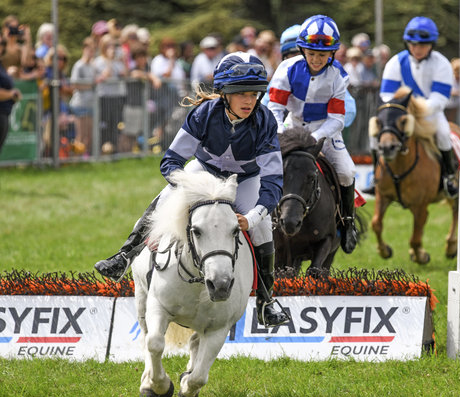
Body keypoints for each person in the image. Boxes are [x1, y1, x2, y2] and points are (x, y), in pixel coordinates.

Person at [94, 52, 289, 327]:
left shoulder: (266, 121)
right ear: (224, 93)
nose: (250, 101)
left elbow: (272, 182)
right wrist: (190, 187)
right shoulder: (203, 114)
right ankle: (124, 257)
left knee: (263, 227)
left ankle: (267, 301)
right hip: (203, 174)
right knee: (163, 200)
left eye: (254, 94)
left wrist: (254, 216)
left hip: (245, 180)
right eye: (241, 93)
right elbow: (171, 161)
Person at [268, 15, 358, 254]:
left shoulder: (339, 75)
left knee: (347, 172)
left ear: (332, 54)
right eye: (312, 53)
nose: (317, 59)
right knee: (267, 165)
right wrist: (280, 133)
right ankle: (264, 221)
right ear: (302, 50)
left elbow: (338, 118)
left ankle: (348, 223)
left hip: (324, 132)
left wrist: (316, 138)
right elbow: (274, 108)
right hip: (291, 127)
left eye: (323, 54)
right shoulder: (286, 69)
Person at [378, 16, 458, 198]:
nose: (417, 49)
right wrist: (404, 111)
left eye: (422, 45)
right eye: (413, 44)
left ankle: (448, 177)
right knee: (375, 131)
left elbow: (440, 99)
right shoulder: (396, 62)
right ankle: (378, 177)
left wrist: (419, 109)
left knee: (444, 135)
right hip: (401, 115)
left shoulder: (442, 64)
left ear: (431, 45)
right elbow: (387, 95)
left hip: (431, 114)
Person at [69, 37, 97, 156]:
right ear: (84, 49)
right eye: (89, 50)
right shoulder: (79, 65)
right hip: (80, 103)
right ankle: (76, 158)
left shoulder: (92, 65)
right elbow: (74, 84)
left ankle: (85, 157)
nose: (91, 52)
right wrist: (91, 85)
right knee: (80, 134)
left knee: (89, 135)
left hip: (90, 103)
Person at [0, 34, 22, 155]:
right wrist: (11, 93)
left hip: (4, 113)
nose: (1, 47)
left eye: (2, 44)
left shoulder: (2, 65)